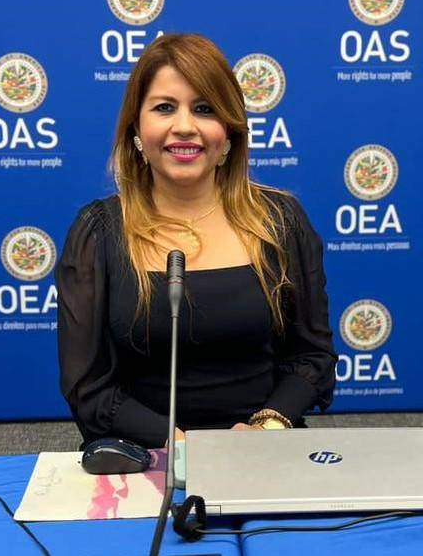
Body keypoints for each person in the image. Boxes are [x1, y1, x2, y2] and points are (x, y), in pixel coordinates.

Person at [57, 34, 336, 449]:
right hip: (144, 454)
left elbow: (312, 358)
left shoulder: (281, 221)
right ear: (136, 129)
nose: (185, 126)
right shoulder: (97, 232)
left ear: (229, 132)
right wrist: (181, 446)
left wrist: (266, 428)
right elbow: (88, 385)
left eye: (204, 109)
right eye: (164, 107)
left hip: (263, 452)